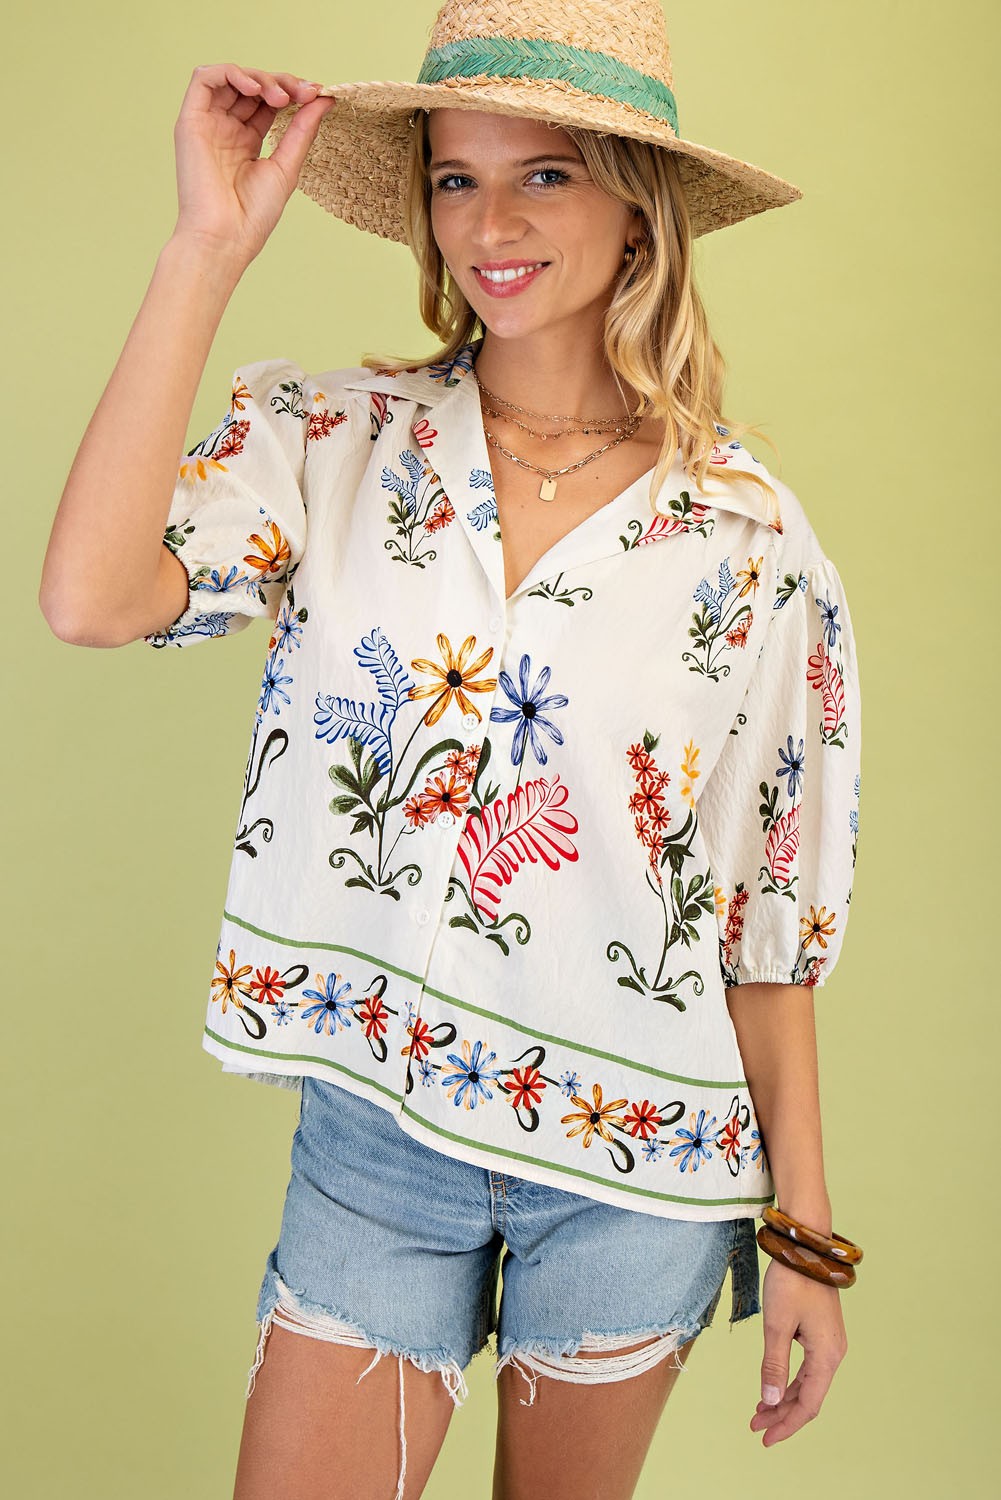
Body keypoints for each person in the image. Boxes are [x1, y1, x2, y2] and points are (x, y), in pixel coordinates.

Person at [39, 2, 865, 1496]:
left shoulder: (748, 539)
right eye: (454, 178)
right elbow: (92, 600)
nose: (490, 222)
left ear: (638, 209)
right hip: (378, 1144)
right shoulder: (330, 439)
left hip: (637, 1167)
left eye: (545, 174)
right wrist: (203, 252)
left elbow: (767, 915)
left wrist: (804, 1232)